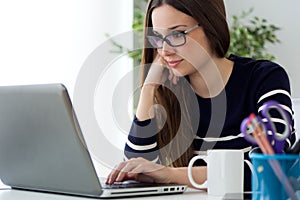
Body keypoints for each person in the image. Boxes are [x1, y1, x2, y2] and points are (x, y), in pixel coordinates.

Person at [106, 0, 296, 191]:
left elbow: (271, 169)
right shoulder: (170, 94)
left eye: (177, 34)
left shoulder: (265, 78)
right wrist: (149, 89)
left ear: (211, 26)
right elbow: (136, 170)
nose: (165, 51)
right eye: (158, 38)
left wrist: (171, 175)